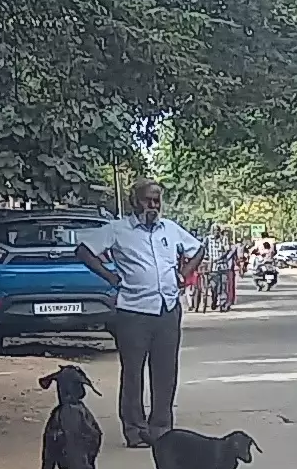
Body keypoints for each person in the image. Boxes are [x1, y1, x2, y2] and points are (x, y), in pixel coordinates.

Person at [77, 180, 204, 447]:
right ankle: (135, 430)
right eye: (148, 200)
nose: (153, 206)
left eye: (157, 201)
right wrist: (110, 277)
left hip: (167, 309)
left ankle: (161, 429)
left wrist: (184, 273)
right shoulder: (117, 230)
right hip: (133, 312)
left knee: (166, 372)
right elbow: (84, 250)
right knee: (133, 373)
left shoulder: (169, 229)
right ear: (135, 201)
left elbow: (197, 249)